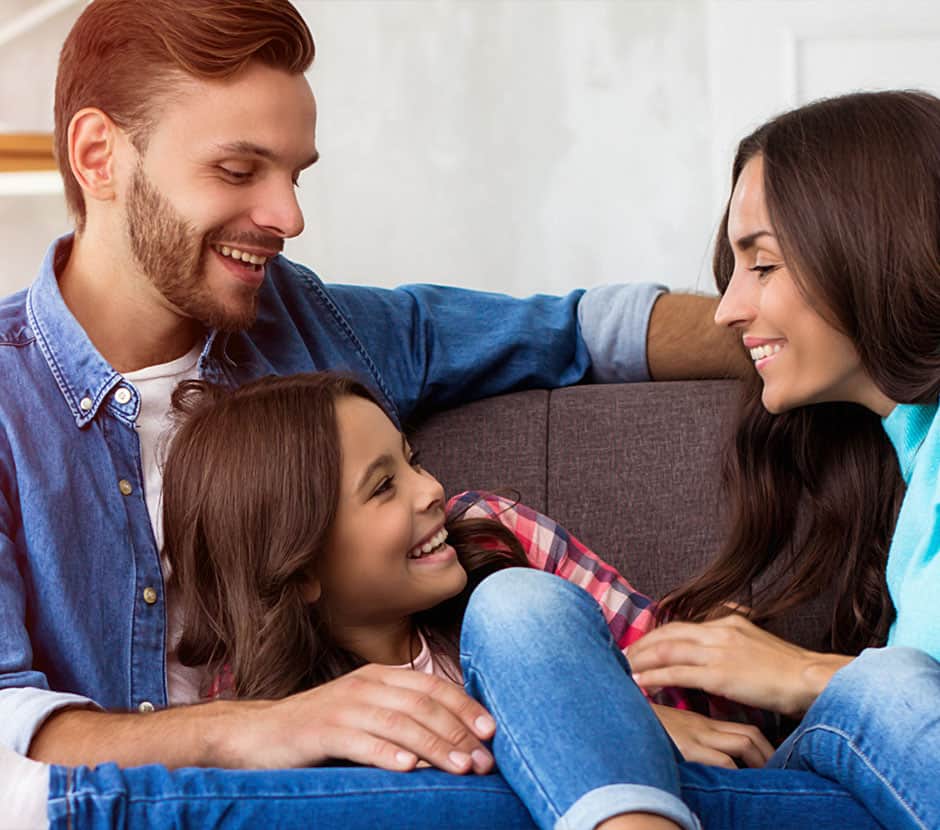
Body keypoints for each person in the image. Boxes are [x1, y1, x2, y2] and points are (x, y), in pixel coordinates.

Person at [0, 0, 745, 826]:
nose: (289, 217)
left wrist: (827, 325)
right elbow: (6, 737)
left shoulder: (315, 323)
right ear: (99, 156)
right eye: (239, 171)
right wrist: (261, 730)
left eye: (295, 173)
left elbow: (578, 329)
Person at [548, 89, 940, 828]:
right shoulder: (903, 460)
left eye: (762, 265)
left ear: (872, 245)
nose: (726, 310)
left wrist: (798, 674)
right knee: (522, 616)